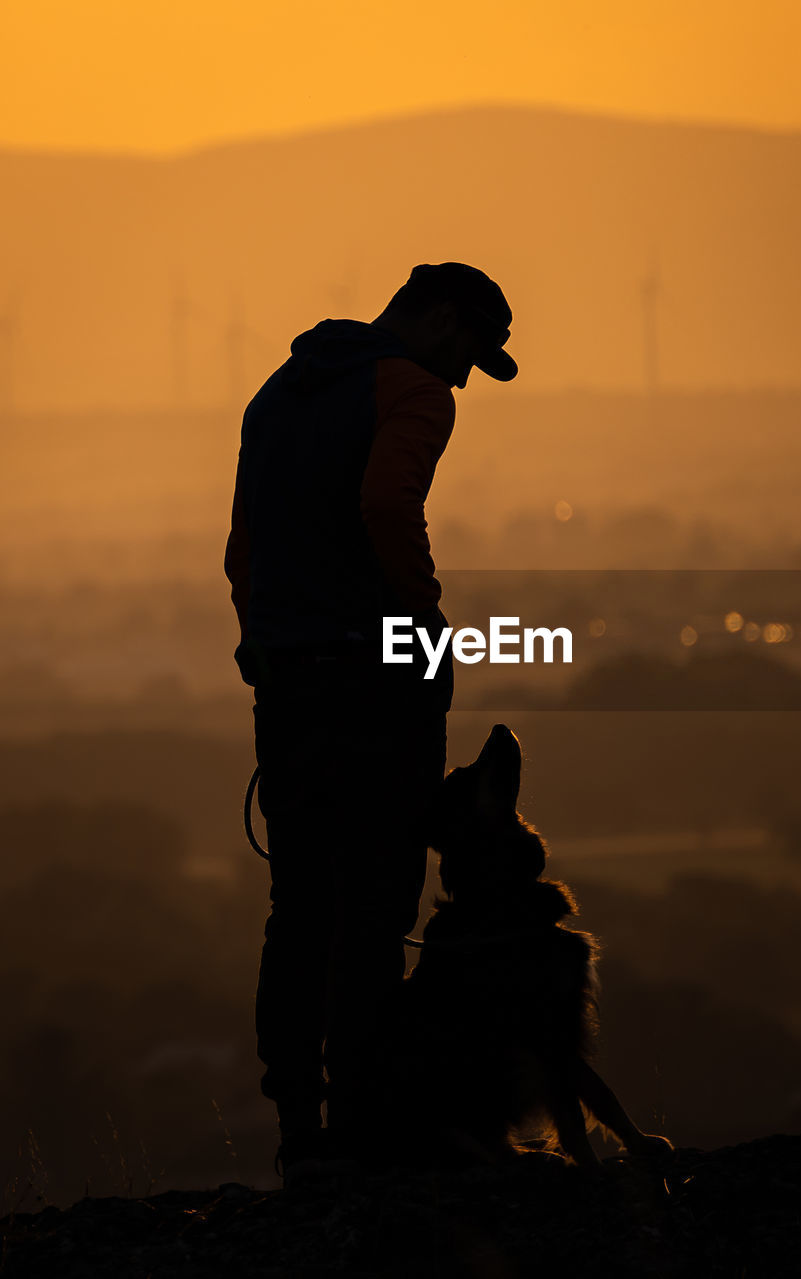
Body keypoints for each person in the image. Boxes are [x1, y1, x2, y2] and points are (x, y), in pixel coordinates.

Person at [223, 262, 517, 1184]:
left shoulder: (279, 389)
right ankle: (365, 1125)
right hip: (376, 680)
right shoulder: (415, 390)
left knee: (299, 905)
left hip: (289, 685)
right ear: (437, 320)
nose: (467, 376)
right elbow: (389, 503)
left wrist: (263, 641)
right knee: (379, 903)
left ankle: (299, 1130)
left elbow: (242, 548)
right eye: (471, 350)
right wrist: (424, 622)